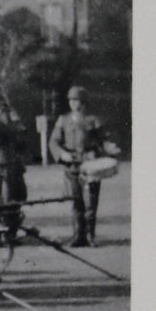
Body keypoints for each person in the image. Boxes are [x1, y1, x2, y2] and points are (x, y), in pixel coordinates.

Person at [49, 85, 109, 247]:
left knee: (91, 201)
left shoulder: (93, 120)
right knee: (76, 201)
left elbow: (104, 142)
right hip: (72, 166)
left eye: (78, 101)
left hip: (90, 165)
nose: (75, 104)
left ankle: (90, 236)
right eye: (72, 101)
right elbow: (54, 142)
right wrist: (62, 154)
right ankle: (78, 235)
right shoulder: (63, 120)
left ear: (85, 102)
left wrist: (98, 152)